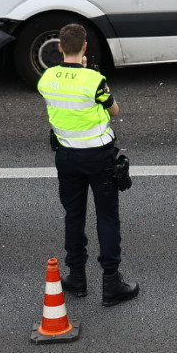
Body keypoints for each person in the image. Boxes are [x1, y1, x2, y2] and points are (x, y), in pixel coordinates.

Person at [38, 24, 139, 306]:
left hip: (67, 156)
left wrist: (75, 70)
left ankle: (77, 277)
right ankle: (111, 282)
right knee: (106, 217)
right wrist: (86, 72)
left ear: (59, 47)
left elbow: (61, 88)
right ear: (85, 47)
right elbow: (115, 109)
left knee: (74, 216)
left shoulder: (47, 77)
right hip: (98, 155)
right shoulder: (94, 79)